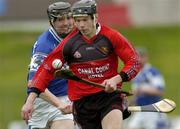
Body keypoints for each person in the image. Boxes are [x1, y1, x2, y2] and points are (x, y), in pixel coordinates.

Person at [21, 0, 141, 129]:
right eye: (78, 21)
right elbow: (44, 71)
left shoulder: (111, 36)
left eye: (84, 20)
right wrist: (29, 102)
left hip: (108, 98)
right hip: (81, 103)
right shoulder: (66, 44)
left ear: (95, 17)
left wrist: (116, 79)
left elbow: (134, 62)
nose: (81, 25)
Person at [21, 1, 75, 129]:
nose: (66, 23)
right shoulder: (44, 46)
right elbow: (33, 83)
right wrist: (59, 104)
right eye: (61, 20)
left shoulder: (76, 37)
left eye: (69, 18)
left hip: (65, 99)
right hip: (42, 102)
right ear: (52, 22)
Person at [127, 47, 169, 129]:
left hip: (153, 110)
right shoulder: (135, 74)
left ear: (146, 57)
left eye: (141, 56)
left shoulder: (152, 72)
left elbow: (160, 91)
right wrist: (130, 104)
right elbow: (136, 93)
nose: (139, 59)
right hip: (140, 110)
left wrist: (144, 89)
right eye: (137, 57)